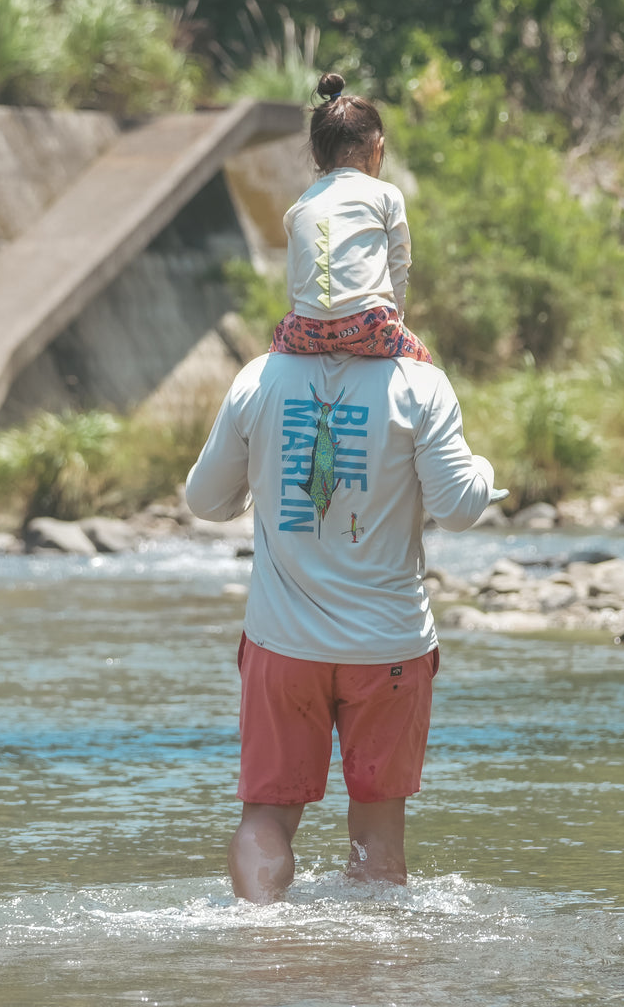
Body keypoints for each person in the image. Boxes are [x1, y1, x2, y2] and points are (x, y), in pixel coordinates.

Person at [184, 74, 499, 896]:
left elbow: (203, 501)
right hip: (388, 650)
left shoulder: (258, 379)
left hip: (281, 649)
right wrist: (487, 472)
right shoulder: (418, 384)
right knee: (377, 846)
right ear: (377, 157)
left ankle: (259, 948)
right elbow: (462, 508)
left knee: (264, 817)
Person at [270, 72, 433, 364]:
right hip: (371, 325)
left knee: (276, 345)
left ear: (317, 156)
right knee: (423, 363)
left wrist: (314, 320)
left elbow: (294, 288)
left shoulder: (300, 206)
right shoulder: (387, 194)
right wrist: (396, 320)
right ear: (378, 148)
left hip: (307, 330)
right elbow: (399, 264)